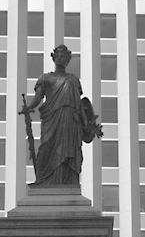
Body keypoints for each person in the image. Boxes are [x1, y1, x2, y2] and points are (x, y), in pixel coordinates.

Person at [19, 45, 98, 186]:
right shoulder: (45, 78)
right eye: (58, 55)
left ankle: (68, 181)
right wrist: (29, 107)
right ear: (54, 58)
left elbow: (79, 104)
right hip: (52, 119)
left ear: (68, 61)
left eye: (63, 56)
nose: (60, 58)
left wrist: (86, 123)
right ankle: (42, 179)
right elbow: (38, 97)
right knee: (46, 147)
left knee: (69, 150)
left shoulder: (73, 80)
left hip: (70, 119)